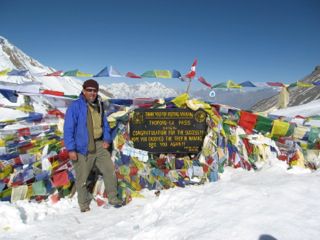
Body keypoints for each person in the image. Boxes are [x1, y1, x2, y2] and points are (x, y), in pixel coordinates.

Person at [64, 79, 122, 212]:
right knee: (82, 177)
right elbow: (68, 129)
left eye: (94, 90)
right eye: (89, 90)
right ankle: (83, 204)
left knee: (109, 170)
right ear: (83, 90)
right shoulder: (75, 106)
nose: (92, 93)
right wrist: (71, 149)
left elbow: (104, 123)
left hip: (99, 143)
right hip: (82, 147)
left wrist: (107, 139)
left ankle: (113, 197)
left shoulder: (99, 105)